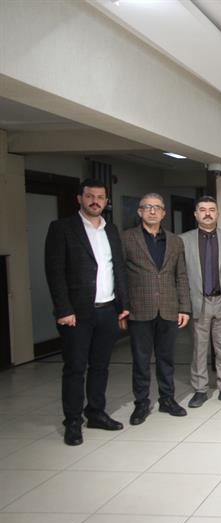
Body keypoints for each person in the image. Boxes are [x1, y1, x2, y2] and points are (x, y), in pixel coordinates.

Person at [45, 178, 130, 446]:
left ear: (106, 201)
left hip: (107, 309)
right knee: (75, 368)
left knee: (100, 366)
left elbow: (118, 268)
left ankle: (95, 412)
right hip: (76, 314)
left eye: (100, 197)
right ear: (79, 199)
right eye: (90, 196)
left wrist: (123, 305)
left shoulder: (111, 230)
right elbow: (55, 272)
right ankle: (72, 421)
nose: (95, 201)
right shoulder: (62, 228)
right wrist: (63, 309)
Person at [121, 193, 191, 425]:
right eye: (147, 207)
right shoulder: (126, 238)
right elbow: (119, 275)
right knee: (141, 360)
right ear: (139, 211)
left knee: (166, 359)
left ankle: (167, 400)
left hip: (169, 308)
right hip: (139, 308)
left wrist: (184, 307)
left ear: (163, 213)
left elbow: (181, 275)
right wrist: (122, 307)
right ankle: (141, 403)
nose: (152, 211)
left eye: (157, 207)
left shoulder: (175, 241)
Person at [179, 196, 221, 408]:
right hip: (198, 301)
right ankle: (200, 390)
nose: (207, 213)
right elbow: (180, 275)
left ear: (217, 213)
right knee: (199, 348)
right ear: (196, 214)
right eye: (203, 210)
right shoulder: (183, 240)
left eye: (211, 209)